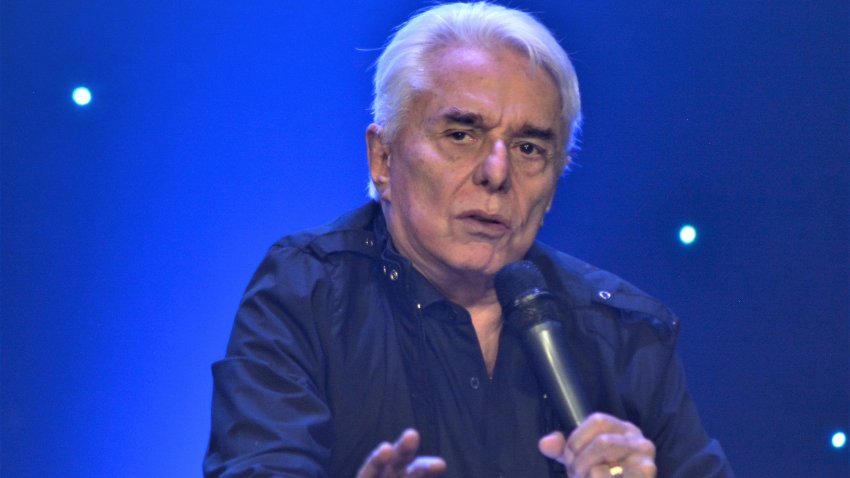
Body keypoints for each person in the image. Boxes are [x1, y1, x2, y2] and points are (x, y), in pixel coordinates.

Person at [203, 3, 734, 477]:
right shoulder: (306, 294)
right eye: (461, 135)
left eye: (529, 148)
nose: (497, 173)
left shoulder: (623, 333)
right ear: (383, 159)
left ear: (553, 187)